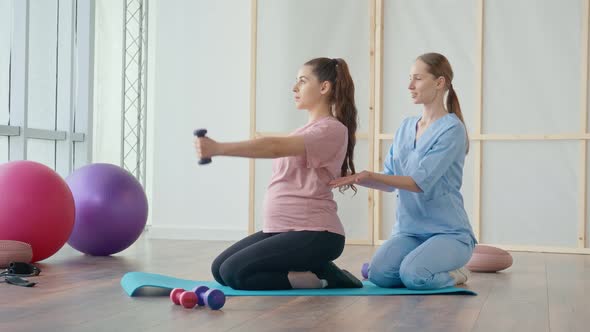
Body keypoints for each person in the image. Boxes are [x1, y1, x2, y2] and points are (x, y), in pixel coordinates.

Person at [194, 57, 363, 290]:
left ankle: (322, 279)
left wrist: (219, 148)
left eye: (302, 81)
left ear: (324, 87)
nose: (294, 88)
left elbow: (272, 147)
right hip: (282, 230)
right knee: (219, 270)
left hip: (316, 233)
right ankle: (319, 267)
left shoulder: (331, 130)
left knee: (234, 273)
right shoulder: (302, 131)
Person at [330, 53, 476, 290]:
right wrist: (357, 178)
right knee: (379, 275)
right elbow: (389, 181)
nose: (410, 86)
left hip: (448, 233)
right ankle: (411, 263)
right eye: (410, 78)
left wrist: (368, 175)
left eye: (417, 79)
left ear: (439, 82)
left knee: (415, 276)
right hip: (409, 231)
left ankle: (456, 272)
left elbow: (418, 182)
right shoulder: (406, 126)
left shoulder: (452, 129)